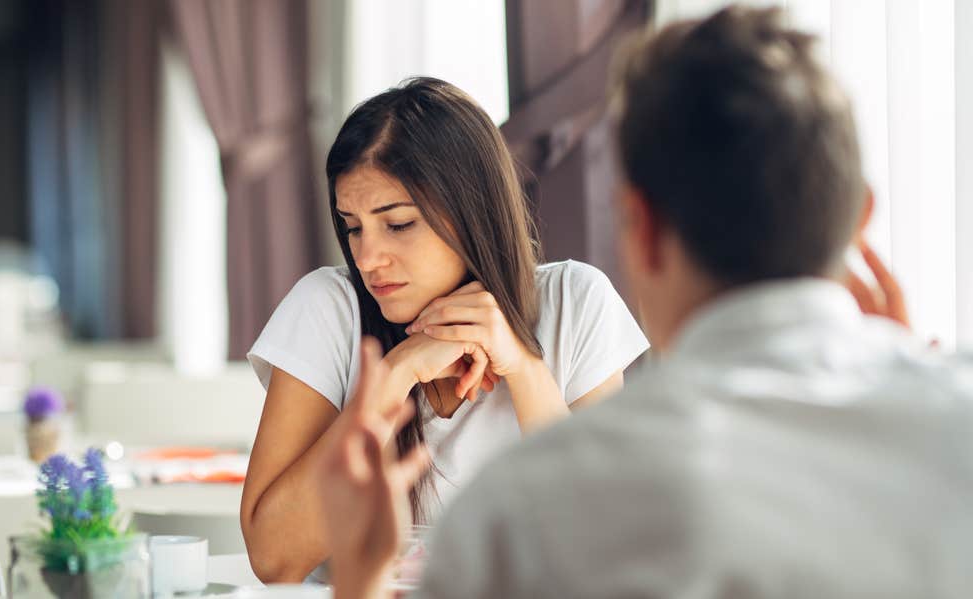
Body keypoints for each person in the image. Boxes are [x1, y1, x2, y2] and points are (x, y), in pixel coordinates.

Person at [319, 7, 973, 598]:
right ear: (862, 214)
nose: (370, 252)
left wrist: (362, 571)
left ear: (642, 229)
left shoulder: (519, 510)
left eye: (397, 222)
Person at [242, 77, 649, 582]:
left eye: (397, 224)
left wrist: (523, 366)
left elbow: (603, 547)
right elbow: (273, 558)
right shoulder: (328, 307)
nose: (368, 258)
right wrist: (394, 375)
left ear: (469, 211)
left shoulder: (576, 301)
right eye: (353, 226)